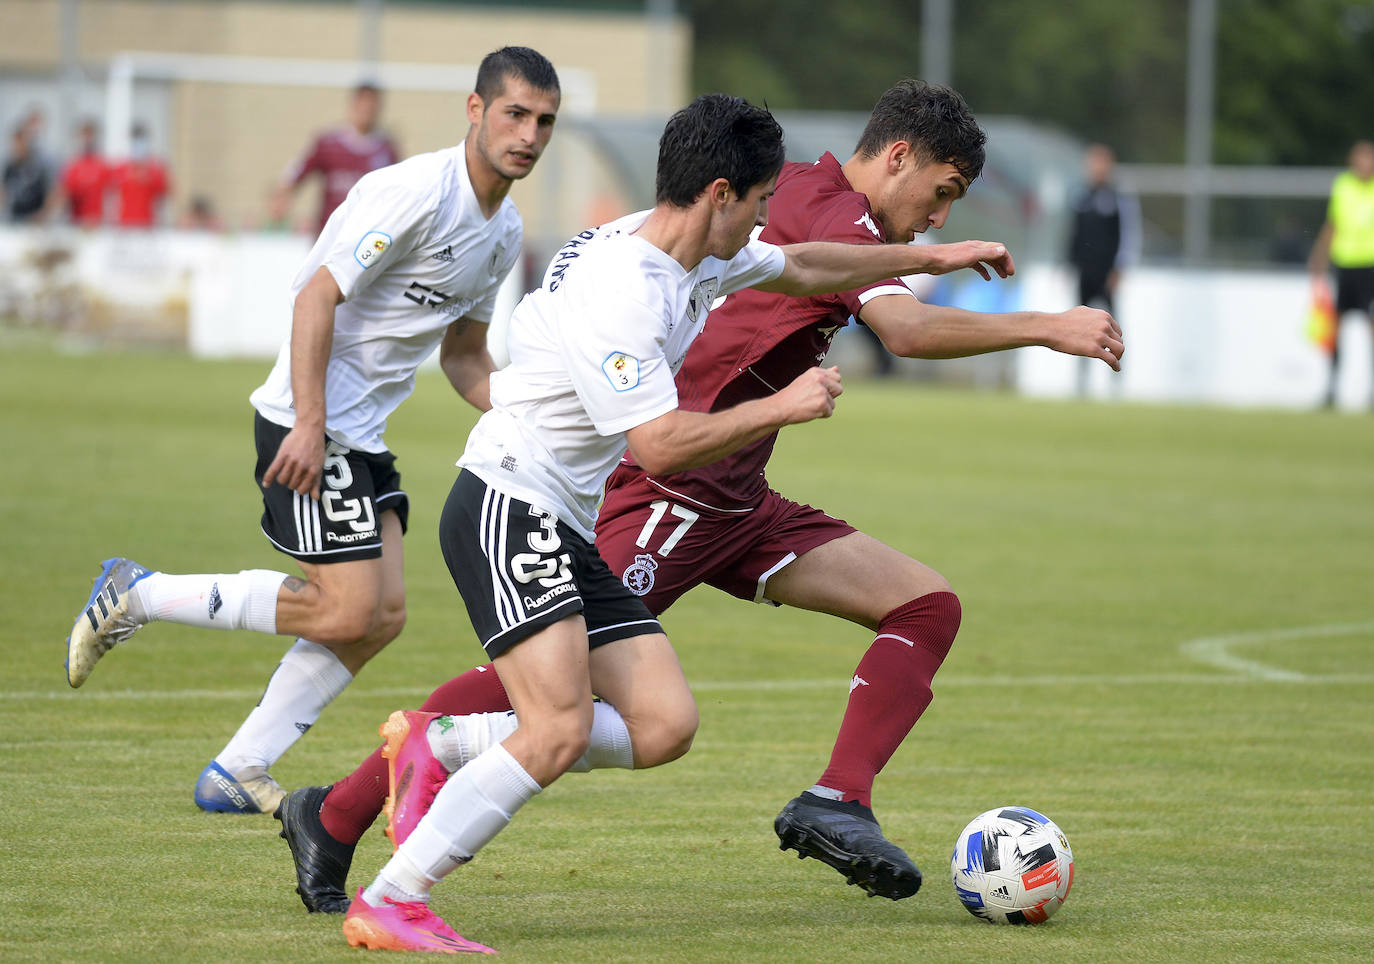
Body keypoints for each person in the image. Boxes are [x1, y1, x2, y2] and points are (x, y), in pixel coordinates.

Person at [275, 80, 1123, 921]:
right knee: (543, 684)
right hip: (665, 490)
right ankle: (340, 813)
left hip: (738, 497)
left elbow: (812, 270)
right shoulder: (818, 208)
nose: (938, 215)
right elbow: (905, 331)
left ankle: (838, 800)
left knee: (926, 607)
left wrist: (934, 256)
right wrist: (1047, 325)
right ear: (898, 157)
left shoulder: (798, 203)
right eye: (941, 194)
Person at [63, 47, 563, 816]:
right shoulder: (413, 193)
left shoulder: (503, 235)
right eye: (515, 114)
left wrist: (536, 412)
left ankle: (239, 768)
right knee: (344, 610)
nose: (528, 134)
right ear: (475, 110)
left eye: (544, 122)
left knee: (382, 617)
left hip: (357, 433)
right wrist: (309, 421)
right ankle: (139, 592)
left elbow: (464, 357)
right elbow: (314, 297)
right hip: (308, 419)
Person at [270, 83, 401, 234]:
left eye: (371, 105)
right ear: (352, 105)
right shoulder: (328, 143)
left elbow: (396, 190)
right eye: (362, 104)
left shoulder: (386, 148)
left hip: (367, 234)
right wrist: (282, 195)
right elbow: (299, 169)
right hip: (330, 232)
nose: (366, 110)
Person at [1066, 143, 1138, 394]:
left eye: (1101, 163)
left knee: (1112, 327)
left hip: (1107, 273)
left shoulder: (1118, 199)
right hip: (1085, 273)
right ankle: (1081, 382)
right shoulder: (1080, 196)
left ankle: (1117, 382)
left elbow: (1127, 235)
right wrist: (1068, 264)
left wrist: (1119, 269)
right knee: (1080, 326)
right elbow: (1073, 234)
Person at [1308, 139, 1374, 408]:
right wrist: (1319, 256)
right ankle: (1332, 387)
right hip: (1345, 265)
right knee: (1336, 327)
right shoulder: (1343, 186)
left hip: (1371, 265)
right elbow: (1333, 224)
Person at [109, 123, 170, 228]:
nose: (138, 144)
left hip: (148, 226)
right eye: (135, 139)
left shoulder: (155, 169)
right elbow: (110, 196)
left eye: (141, 139)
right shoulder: (120, 168)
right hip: (124, 225)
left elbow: (165, 196)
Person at [58, 119, 109, 227]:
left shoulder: (103, 165)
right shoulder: (73, 165)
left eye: (90, 135)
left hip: (98, 223)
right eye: (84, 135)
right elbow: (64, 193)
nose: (87, 139)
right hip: (76, 222)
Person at [2, 119, 51, 222]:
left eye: (21, 144)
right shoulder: (10, 167)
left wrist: (44, 214)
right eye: (15, 144)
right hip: (15, 218)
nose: (17, 148)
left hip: (36, 219)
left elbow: (51, 192)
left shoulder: (39, 165)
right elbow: (4, 192)